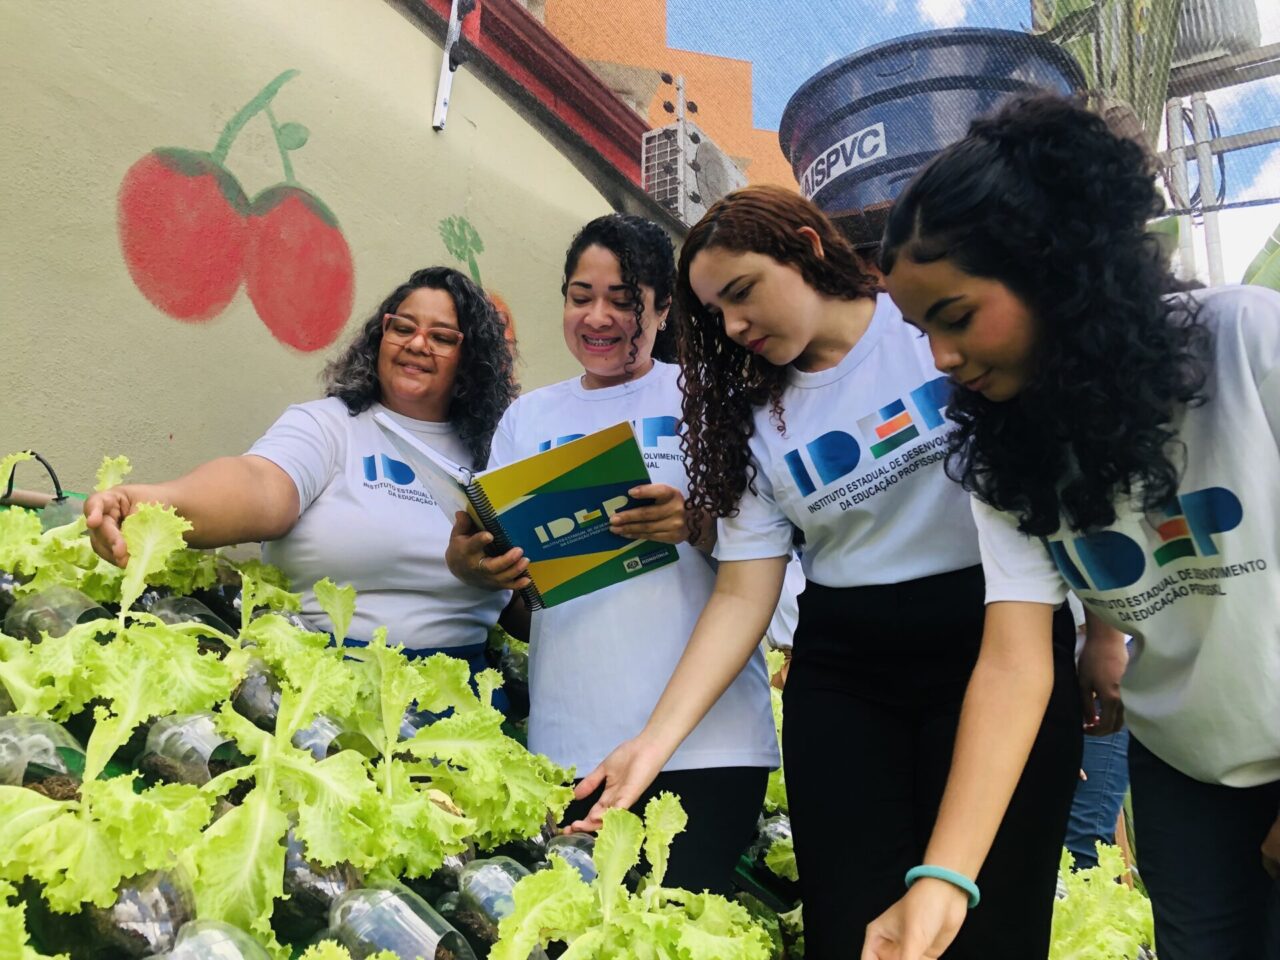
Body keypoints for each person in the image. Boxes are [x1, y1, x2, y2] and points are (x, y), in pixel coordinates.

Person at [565, 186, 1082, 958]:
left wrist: (1102, 636)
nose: (734, 326)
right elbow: (744, 591)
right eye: (715, 313)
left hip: (995, 638)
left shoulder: (926, 332)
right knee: (851, 930)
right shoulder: (747, 414)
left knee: (987, 923)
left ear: (807, 247)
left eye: (742, 293)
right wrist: (651, 744)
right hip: (847, 673)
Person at [869, 93, 1280, 960]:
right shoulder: (1005, 451)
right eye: (921, 331)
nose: (940, 359)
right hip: (1189, 770)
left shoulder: (1246, 342)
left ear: (1054, 268)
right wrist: (942, 882)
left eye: (956, 316)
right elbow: (1017, 663)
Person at [445, 213, 779, 894]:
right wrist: (474, 566)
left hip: (706, 744)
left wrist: (694, 524)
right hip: (570, 741)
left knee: (674, 929)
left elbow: (769, 555)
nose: (598, 316)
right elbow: (511, 586)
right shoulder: (528, 418)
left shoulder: (709, 400)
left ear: (662, 307)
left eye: (624, 299)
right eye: (580, 295)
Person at [85, 266, 518, 677]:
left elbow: (533, 603)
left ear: (470, 360)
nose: (417, 344)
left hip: (453, 699)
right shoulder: (328, 425)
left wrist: (488, 573)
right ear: (380, 336)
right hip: (313, 684)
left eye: (441, 337)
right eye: (402, 328)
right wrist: (147, 503)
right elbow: (258, 486)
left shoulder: (497, 454)